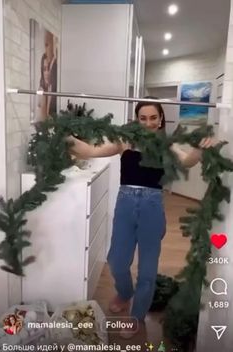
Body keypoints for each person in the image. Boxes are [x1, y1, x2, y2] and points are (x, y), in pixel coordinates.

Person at [67, 98, 216, 338]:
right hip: (125, 204)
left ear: (160, 121)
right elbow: (90, 151)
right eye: (143, 118)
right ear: (137, 120)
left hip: (152, 207)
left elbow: (187, 161)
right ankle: (125, 293)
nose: (148, 123)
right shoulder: (125, 141)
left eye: (153, 118)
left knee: (147, 271)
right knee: (116, 261)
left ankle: (137, 316)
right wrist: (62, 136)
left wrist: (200, 149)